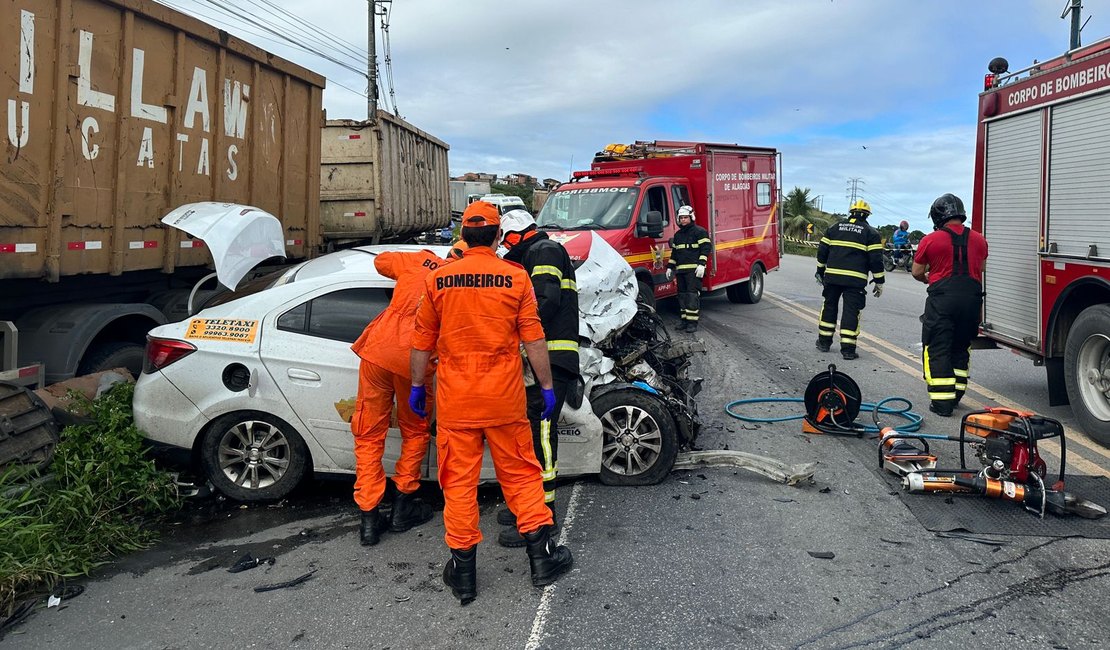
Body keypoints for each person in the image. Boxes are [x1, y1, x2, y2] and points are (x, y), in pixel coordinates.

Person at [409, 200, 573, 606]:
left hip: (456, 402)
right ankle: (541, 560)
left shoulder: (439, 280)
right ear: (498, 236)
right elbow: (534, 338)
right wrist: (548, 387)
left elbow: (421, 341)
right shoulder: (515, 277)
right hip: (504, 398)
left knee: (459, 485)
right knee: (520, 475)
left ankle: (463, 573)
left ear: (462, 235)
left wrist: (417, 387)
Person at [349, 245, 462, 546]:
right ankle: (402, 506)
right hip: (417, 362)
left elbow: (382, 262)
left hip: (378, 353)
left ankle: (369, 518)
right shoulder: (460, 281)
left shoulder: (419, 260)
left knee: (368, 435)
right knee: (415, 432)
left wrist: (413, 259)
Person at [494, 209, 581, 548]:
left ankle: (542, 517)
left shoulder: (543, 251)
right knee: (531, 436)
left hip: (554, 360)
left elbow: (543, 301)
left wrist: (507, 329)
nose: (503, 246)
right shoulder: (537, 252)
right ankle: (529, 505)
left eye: (505, 239)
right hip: (548, 359)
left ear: (515, 235)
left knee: (541, 438)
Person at [912, 194, 988, 417]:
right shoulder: (980, 239)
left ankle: (942, 403)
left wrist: (928, 277)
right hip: (972, 300)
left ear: (938, 215)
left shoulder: (931, 239)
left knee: (938, 347)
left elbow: (917, 271)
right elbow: (981, 268)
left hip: (942, 300)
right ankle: (956, 396)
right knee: (961, 346)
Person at [815, 200, 885, 360]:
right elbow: (876, 260)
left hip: (832, 277)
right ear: (867, 215)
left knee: (829, 307)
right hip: (855, 281)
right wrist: (879, 281)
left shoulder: (834, 228)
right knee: (851, 312)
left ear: (851, 212)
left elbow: (822, 251)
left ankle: (824, 343)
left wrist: (820, 270)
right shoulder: (871, 233)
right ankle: (848, 350)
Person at [667, 205, 712, 332]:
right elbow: (674, 253)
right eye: (681, 218)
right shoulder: (678, 235)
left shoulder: (700, 232)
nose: (683, 220)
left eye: (685, 217)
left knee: (692, 296)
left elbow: (706, 248)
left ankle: (692, 323)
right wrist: (670, 267)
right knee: (682, 296)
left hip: (694, 271)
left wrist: (702, 264)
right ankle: (684, 320)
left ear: (691, 217)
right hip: (681, 271)